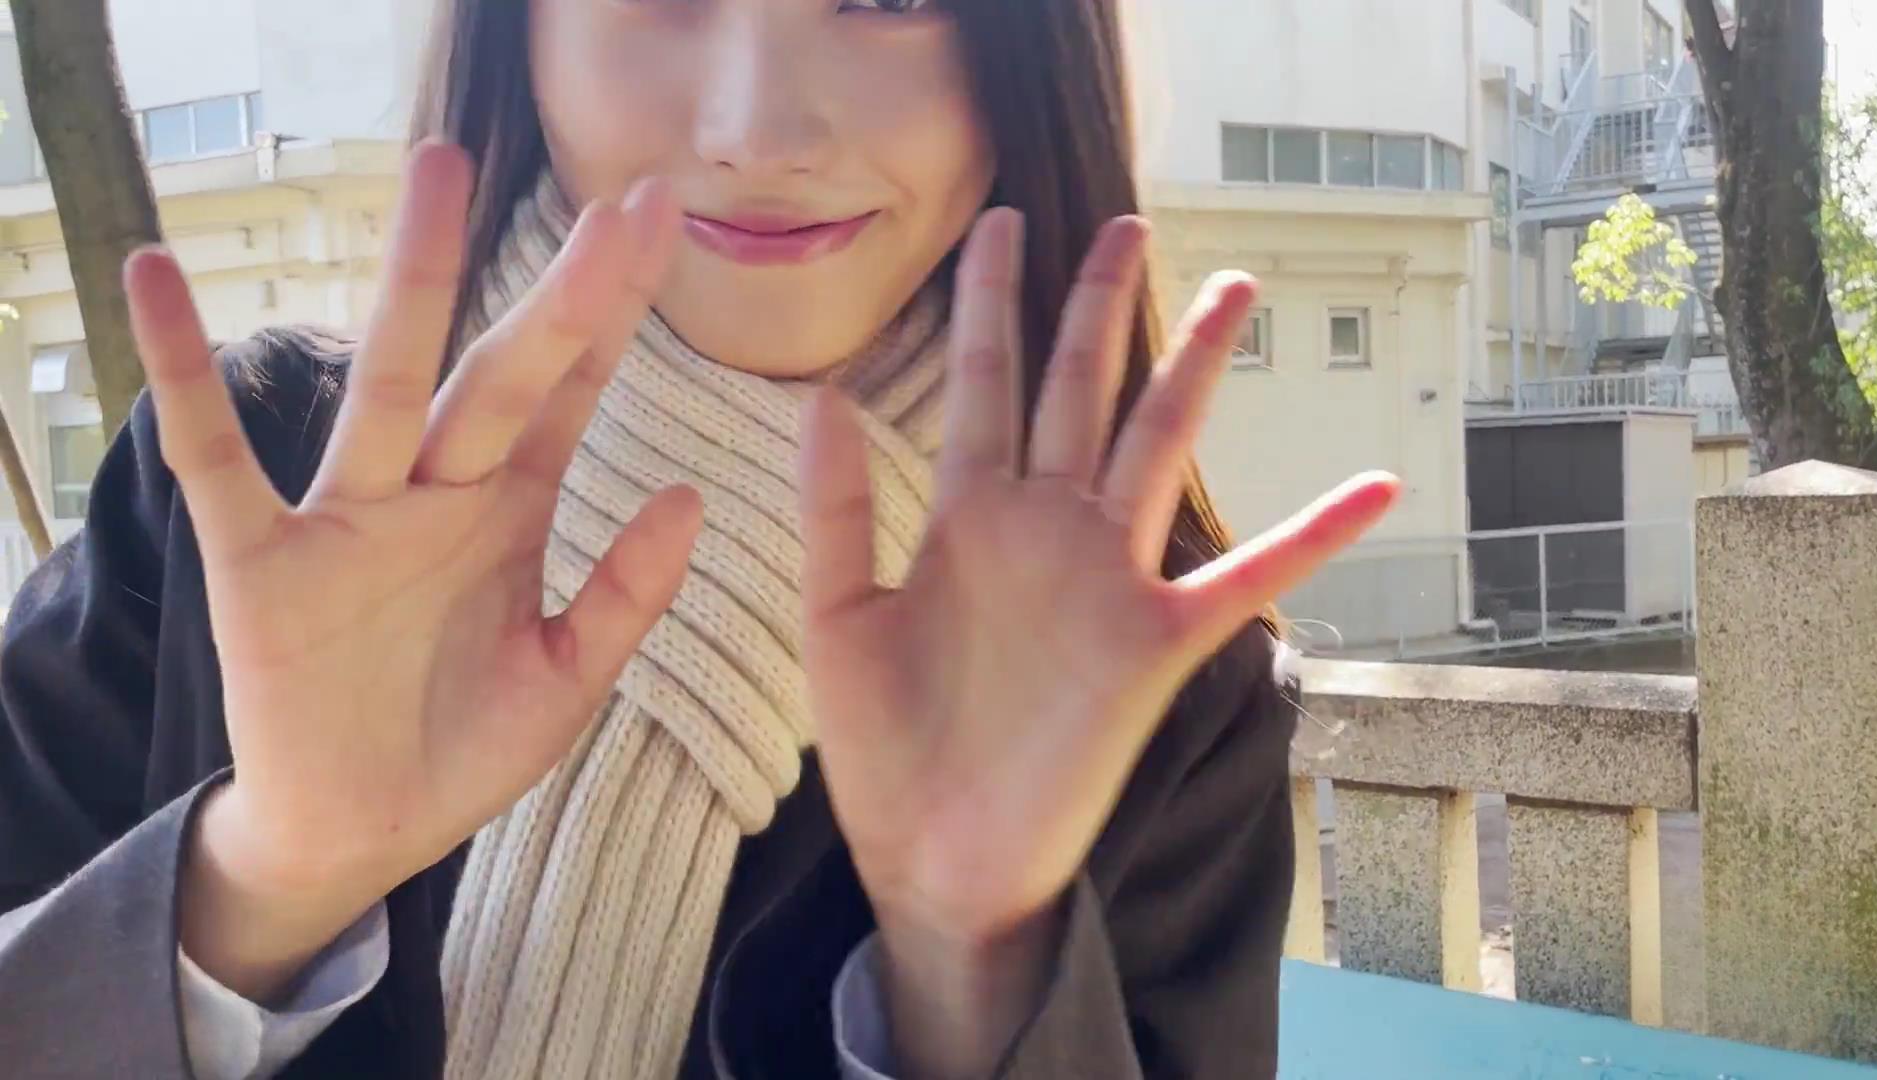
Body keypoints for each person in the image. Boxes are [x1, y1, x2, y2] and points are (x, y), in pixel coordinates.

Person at [0, 0, 1397, 1077]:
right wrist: (259, 882)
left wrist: (973, 969)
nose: (757, 129)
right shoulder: (248, 485)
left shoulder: (1149, 681)